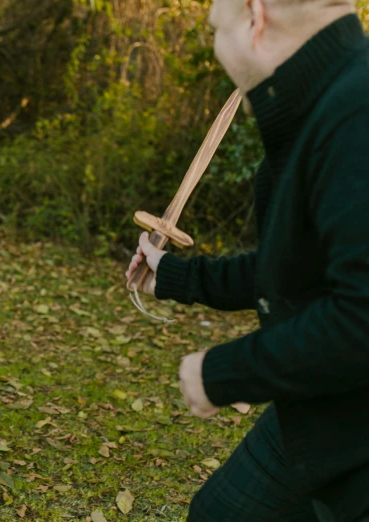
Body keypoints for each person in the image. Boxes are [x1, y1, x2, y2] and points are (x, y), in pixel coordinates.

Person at [126, 1, 369, 520]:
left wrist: (227, 374)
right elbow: (299, 267)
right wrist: (173, 276)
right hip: (317, 415)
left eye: (216, 29)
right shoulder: (326, 106)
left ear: (255, 18)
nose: (217, 49)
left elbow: (363, 317)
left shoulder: (357, 112)